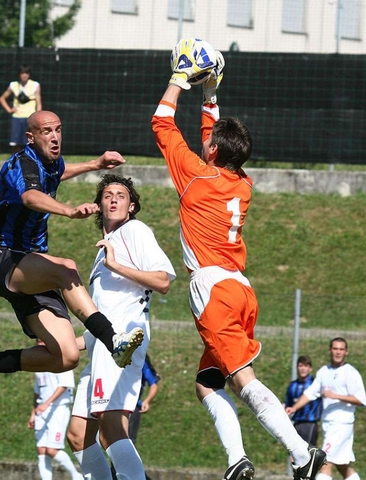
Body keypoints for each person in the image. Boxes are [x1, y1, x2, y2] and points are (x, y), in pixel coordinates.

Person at [151, 38, 326, 480]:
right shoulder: (241, 182)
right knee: (206, 383)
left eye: (209, 142)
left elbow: (161, 123)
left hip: (212, 290)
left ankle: (302, 454)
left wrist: (180, 77)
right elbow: (214, 141)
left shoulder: (196, 176)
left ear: (213, 151)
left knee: (243, 382)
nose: (205, 143)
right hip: (240, 290)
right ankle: (237, 461)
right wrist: (211, 92)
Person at [0, 110, 144, 400]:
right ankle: (113, 340)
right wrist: (68, 210)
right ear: (31, 137)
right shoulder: (21, 163)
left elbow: (59, 172)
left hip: (30, 270)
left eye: (58, 130)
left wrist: (96, 164)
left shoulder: (48, 163)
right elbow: (30, 196)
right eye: (47, 131)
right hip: (2, 258)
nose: (55, 137)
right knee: (66, 269)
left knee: (65, 357)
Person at [67, 174, 175, 480]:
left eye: (121, 195)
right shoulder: (104, 249)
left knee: (111, 426)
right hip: (103, 345)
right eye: (108, 194)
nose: (114, 198)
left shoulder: (134, 231)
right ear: (99, 204)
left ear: (131, 207)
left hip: (123, 344)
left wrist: (116, 266)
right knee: (78, 435)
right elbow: (104, 315)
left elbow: (163, 281)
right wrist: (67, 343)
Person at [286, 338, 366, 480]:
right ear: (330, 350)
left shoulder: (350, 372)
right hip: (328, 424)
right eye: (335, 349)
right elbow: (310, 393)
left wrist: (336, 396)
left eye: (341, 349)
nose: (338, 352)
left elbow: (361, 399)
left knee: (325, 462)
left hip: (341, 424)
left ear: (346, 352)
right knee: (343, 467)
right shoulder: (324, 372)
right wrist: (294, 408)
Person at [28, 340, 83, 480]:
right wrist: (33, 412)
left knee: (52, 450)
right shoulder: (38, 363)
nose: (40, 344)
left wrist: (47, 404)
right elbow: (37, 390)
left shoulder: (61, 358)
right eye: (38, 341)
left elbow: (65, 385)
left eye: (43, 341)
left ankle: (76, 476)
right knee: (41, 450)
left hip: (58, 409)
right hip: (41, 410)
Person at [0, 64, 42, 153]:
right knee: (15, 144)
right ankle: (15, 165)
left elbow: (39, 103)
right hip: (17, 118)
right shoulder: (13, 85)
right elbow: (2, 98)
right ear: (19, 74)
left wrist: (38, 118)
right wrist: (9, 110)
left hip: (30, 118)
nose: (24, 75)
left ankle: (30, 164)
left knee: (30, 144)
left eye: (26, 73)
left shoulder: (35, 85)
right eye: (22, 73)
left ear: (29, 74)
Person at [284, 355, 322, 447]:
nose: (303, 369)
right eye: (301, 366)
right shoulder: (292, 386)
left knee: (307, 452)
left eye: (306, 366)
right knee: (294, 453)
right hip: (296, 423)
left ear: (310, 369)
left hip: (310, 424)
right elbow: (289, 404)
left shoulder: (315, 384)